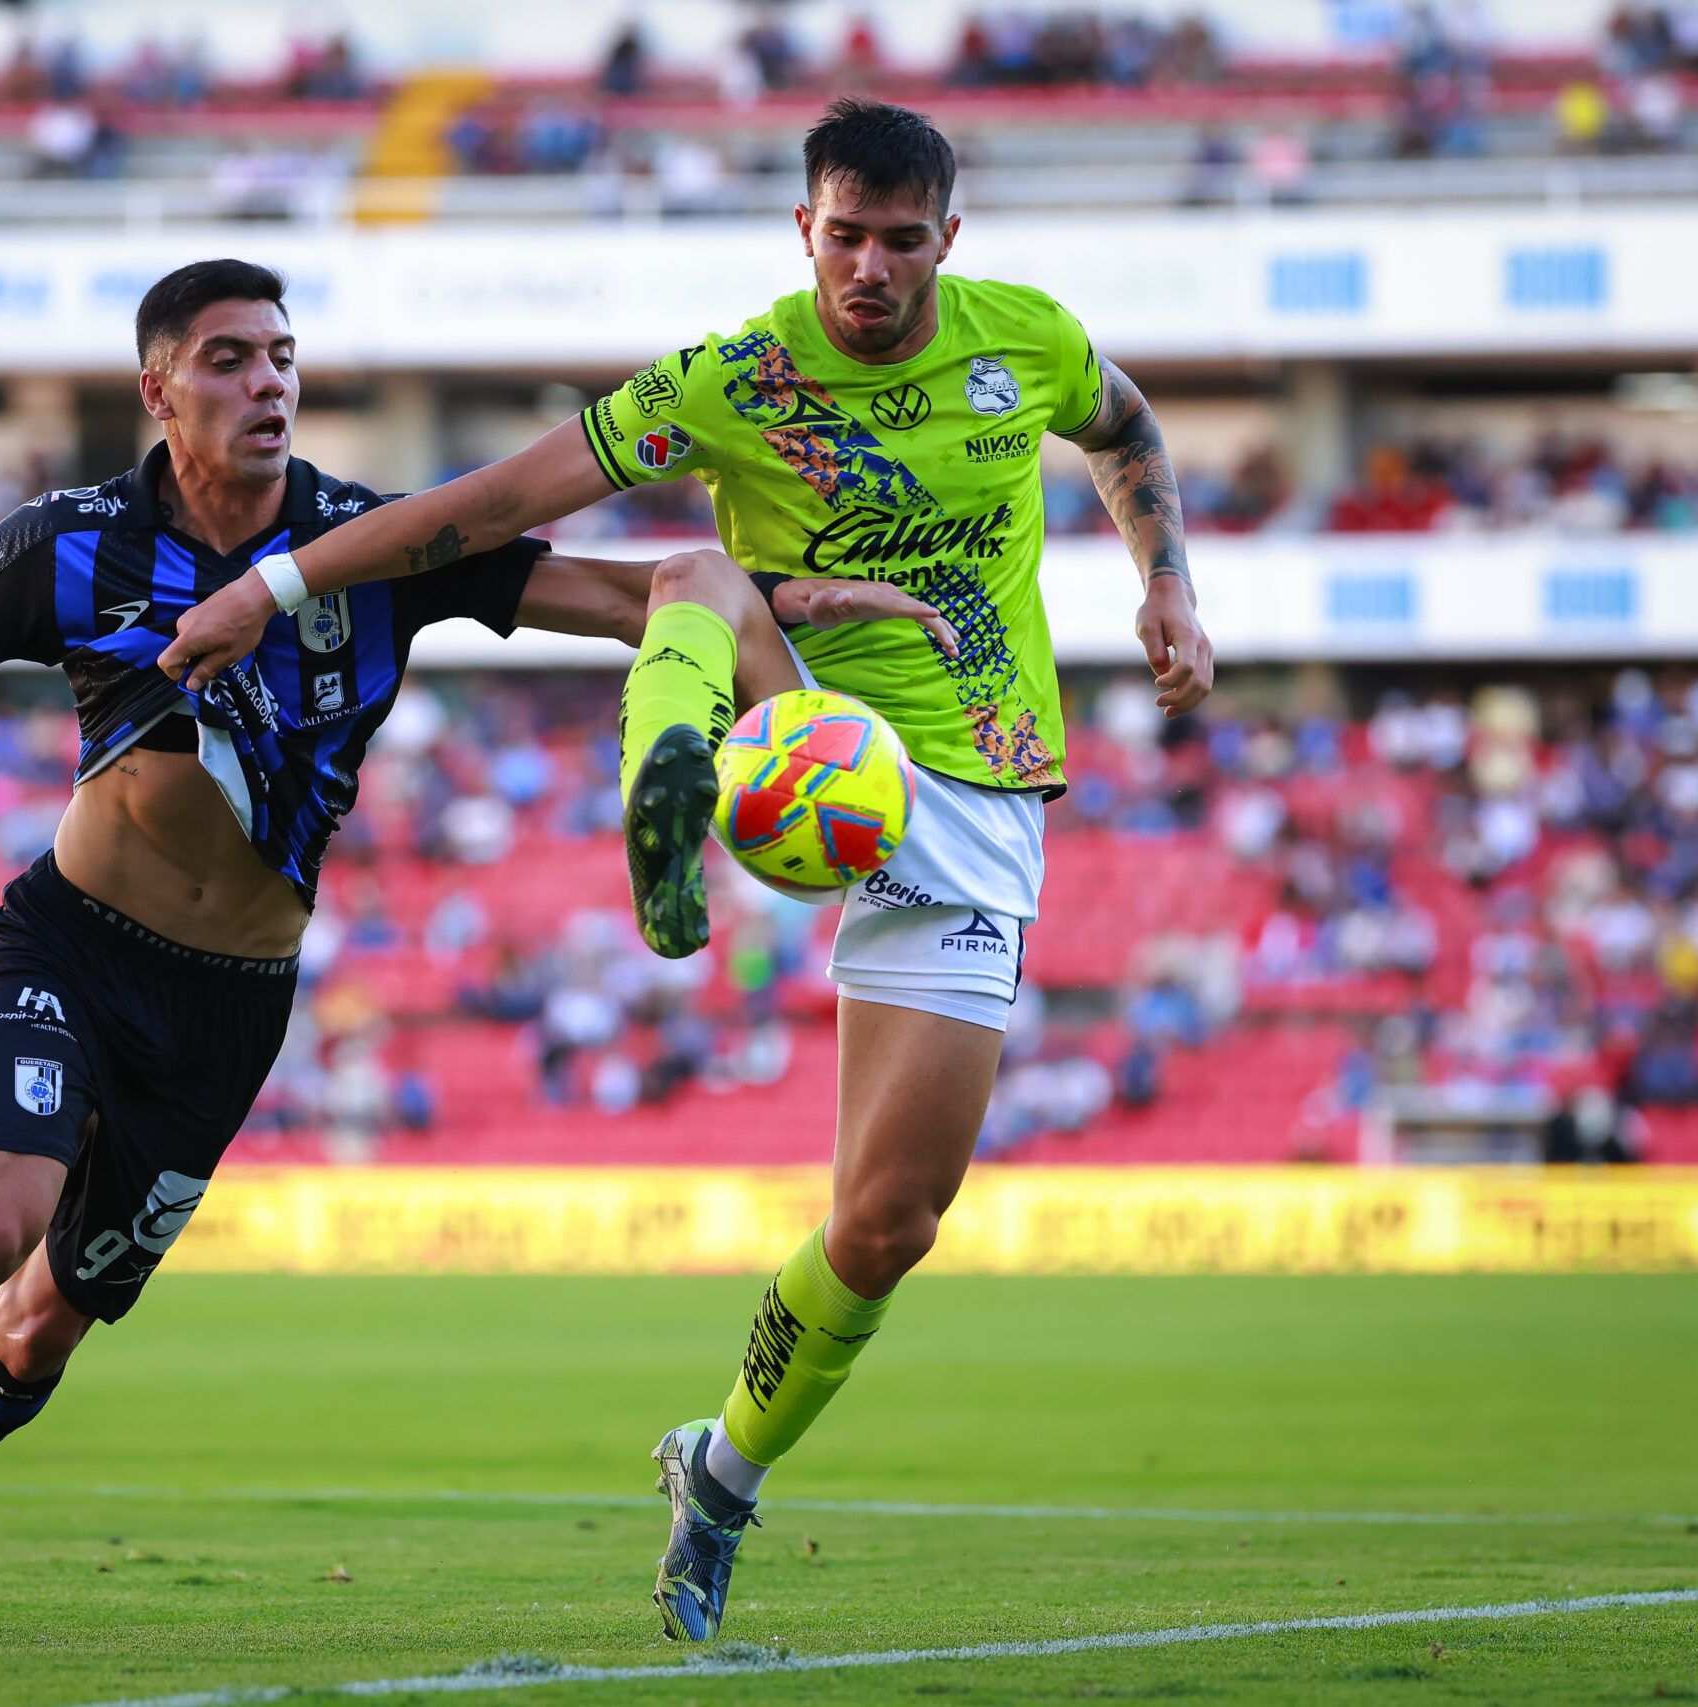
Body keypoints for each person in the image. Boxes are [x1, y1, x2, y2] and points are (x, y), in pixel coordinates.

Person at [0, 260, 849, 1639]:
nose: (267, 379)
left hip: (232, 1007)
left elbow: (635, 598)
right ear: (157, 388)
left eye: (282, 354)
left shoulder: (377, 540)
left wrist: (769, 608)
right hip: (71, 945)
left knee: (43, 1326)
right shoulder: (71, 541)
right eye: (228, 358)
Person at [156, 98, 1215, 1642]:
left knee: (888, 1222)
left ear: (948, 243)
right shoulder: (737, 378)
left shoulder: (1025, 340)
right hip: (813, 718)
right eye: (843, 235)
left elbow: (1126, 430)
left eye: (899, 243)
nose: (868, 267)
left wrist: (1169, 586)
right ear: (806, 226)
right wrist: (275, 580)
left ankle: (715, 1471)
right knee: (696, 578)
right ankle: (672, 771)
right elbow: (492, 506)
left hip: (979, 787)